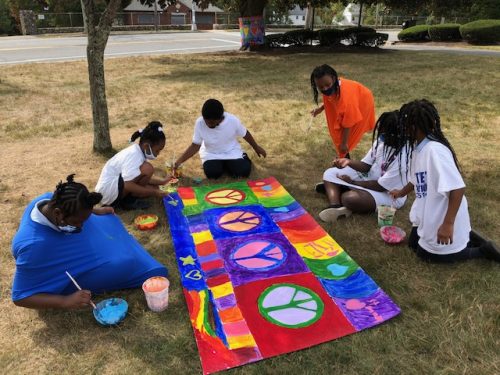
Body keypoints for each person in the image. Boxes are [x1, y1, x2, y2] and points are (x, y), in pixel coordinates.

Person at [11, 175, 168, 310]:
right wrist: (65, 301)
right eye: (78, 222)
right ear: (58, 214)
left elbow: (81, 211)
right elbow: (20, 296)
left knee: (109, 222)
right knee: (136, 265)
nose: (82, 226)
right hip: (62, 261)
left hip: (70, 245)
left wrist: (96, 212)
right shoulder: (34, 247)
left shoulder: (46, 201)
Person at [391, 99, 499, 263]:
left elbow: (457, 189)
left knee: (428, 256)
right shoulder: (417, 148)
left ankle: (483, 250)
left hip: (444, 213)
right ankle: (468, 234)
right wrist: (400, 193)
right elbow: (415, 179)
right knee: (413, 245)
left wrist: (447, 224)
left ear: (413, 127)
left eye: (404, 125)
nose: (402, 130)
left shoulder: (435, 152)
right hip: (430, 211)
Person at [317, 111, 409, 223]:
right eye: (381, 132)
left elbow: (381, 186)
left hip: (389, 194)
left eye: (385, 134)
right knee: (330, 173)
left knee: (349, 198)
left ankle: (340, 190)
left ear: (397, 135)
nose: (381, 136)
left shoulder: (403, 158)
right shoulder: (381, 141)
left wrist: (352, 183)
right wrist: (348, 162)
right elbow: (366, 166)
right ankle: (335, 206)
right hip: (368, 179)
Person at [173, 99, 267, 179]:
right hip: (211, 154)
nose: (210, 125)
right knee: (212, 174)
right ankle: (226, 164)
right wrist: (179, 162)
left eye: (213, 123)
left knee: (243, 172)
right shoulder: (200, 123)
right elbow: (195, 146)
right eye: (207, 122)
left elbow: (245, 133)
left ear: (220, 118)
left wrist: (256, 147)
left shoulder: (232, 120)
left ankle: (240, 159)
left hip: (231, 152)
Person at [95, 121, 173, 210]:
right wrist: (154, 192)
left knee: (154, 187)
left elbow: (136, 177)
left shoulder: (138, 152)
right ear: (146, 146)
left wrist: (162, 182)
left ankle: (129, 198)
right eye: (157, 150)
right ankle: (128, 201)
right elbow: (127, 184)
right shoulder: (134, 156)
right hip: (107, 195)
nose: (158, 153)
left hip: (110, 190)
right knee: (148, 169)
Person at [310, 64, 376, 159]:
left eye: (327, 85)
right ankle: (344, 157)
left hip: (363, 102)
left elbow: (349, 122)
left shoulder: (347, 100)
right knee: (339, 134)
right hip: (351, 102)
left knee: (345, 140)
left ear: (333, 78)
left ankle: (344, 159)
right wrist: (320, 109)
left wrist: (344, 143)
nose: (325, 89)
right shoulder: (333, 85)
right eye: (321, 87)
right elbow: (332, 98)